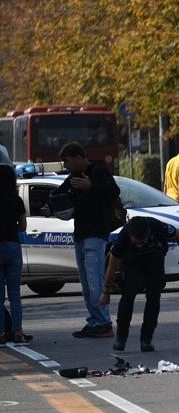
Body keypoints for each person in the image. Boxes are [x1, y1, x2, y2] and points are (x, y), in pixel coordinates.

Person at [55, 142, 120, 339]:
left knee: (94, 282)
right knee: (85, 283)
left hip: (95, 234)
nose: (66, 166)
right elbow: (59, 194)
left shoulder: (98, 171)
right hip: (80, 235)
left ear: (77, 157)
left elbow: (113, 190)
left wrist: (91, 186)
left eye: (67, 161)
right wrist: (52, 207)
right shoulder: (73, 177)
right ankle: (94, 321)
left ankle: (104, 323)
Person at [100, 216, 179, 352]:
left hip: (154, 262)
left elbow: (178, 234)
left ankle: (146, 340)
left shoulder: (157, 226)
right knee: (127, 297)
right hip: (132, 264)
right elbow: (112, 266)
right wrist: (106, 292)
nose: (139, 245)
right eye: (136, 242)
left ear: (148, 233)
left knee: (154, 298)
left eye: (142, 242)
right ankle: (121, 338)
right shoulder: (124, 237)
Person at [0, 164, 29, 344]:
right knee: (15, 294)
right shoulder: (16, 200)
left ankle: (1, 333)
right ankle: (17, 332)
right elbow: (23, 226)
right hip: (13, 246)